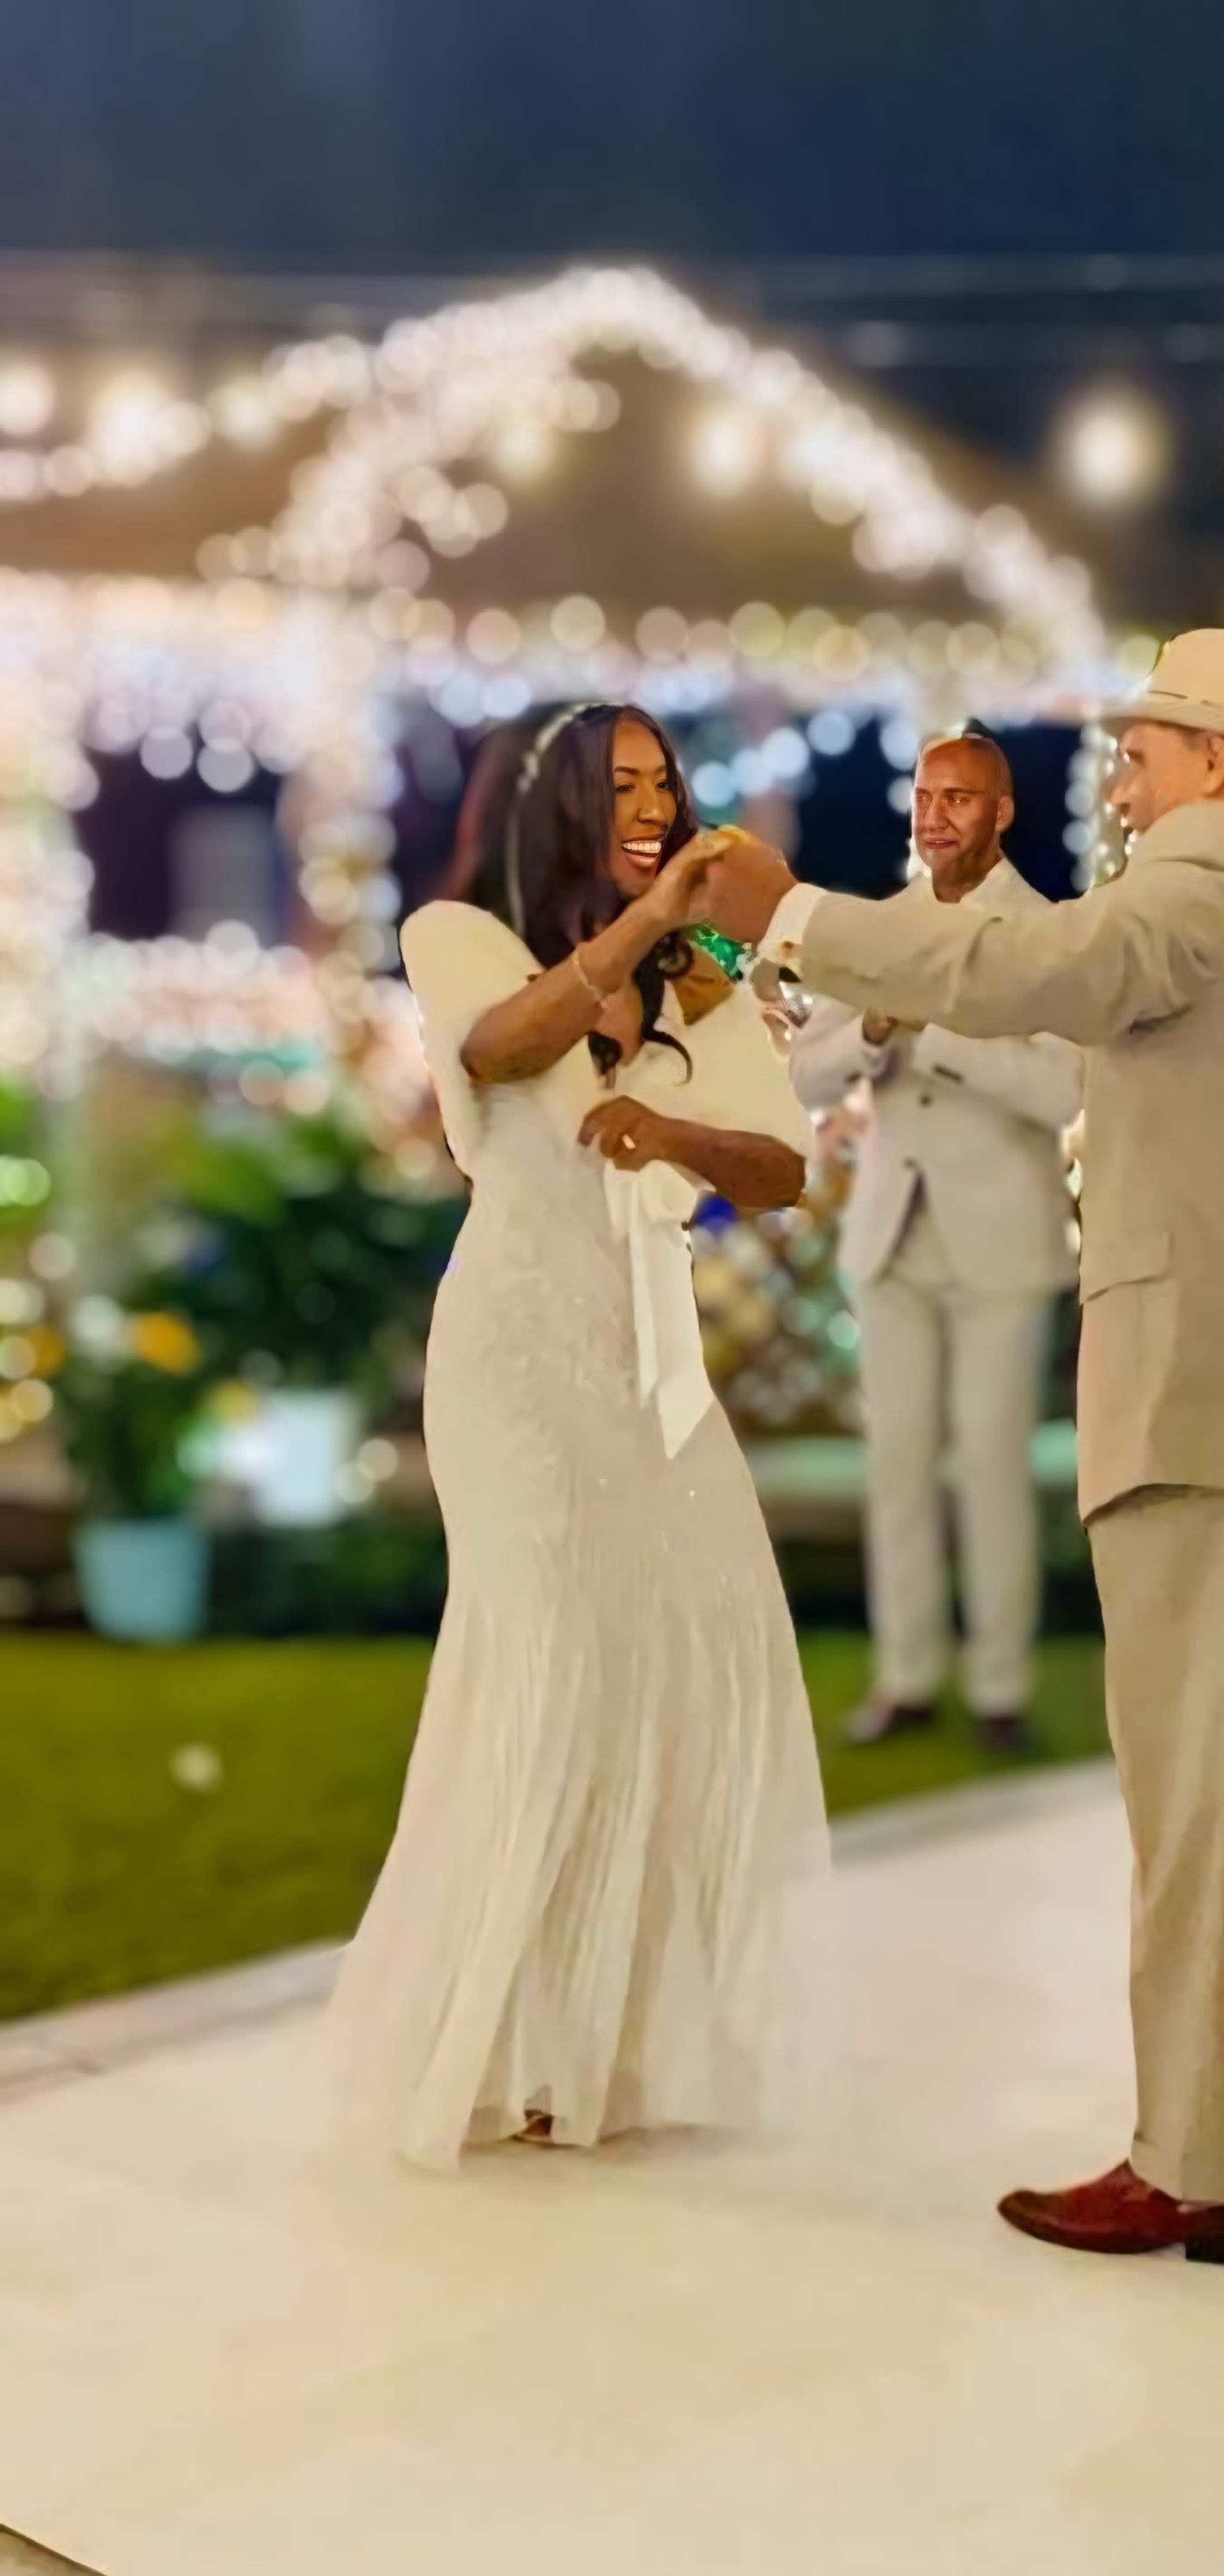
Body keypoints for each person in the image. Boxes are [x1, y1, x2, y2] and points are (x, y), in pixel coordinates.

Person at [689, 632, 1224, 2267]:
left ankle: (1191, 2161)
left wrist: (795, 916)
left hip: (1208, 1387)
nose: (1123, 779)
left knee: (1190, 1781)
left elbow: (1026, 974)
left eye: (1147, 749)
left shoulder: (1211, 877)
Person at [325, 703, 826, 2170]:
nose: (652, 806)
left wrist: (677, 1115)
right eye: (620, 787)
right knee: (543, 1661)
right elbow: (500, 1046)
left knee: (677, 1656)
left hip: (648, 1358)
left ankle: (601, 2048)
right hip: (515, 1353)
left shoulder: (707, 976)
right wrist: (638, 930)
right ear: (551, 803)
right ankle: (494, 2045)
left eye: (665, 785)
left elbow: (782, 1164)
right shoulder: (455, 929)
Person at [785, 730, 1082, 1754]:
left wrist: (941, 1038)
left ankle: (1000, 1686)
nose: (938, 813)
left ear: (1001, 814)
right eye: (927, 794)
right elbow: (802, 1077)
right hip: (891, 1235)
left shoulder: (1047, 934)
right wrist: (868, 1035)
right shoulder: (877, 928)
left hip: (1003, 1237)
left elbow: (1068, 1090)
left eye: (962, 798)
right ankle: (905, 1675)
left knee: (994, 1470)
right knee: (897, 1468)